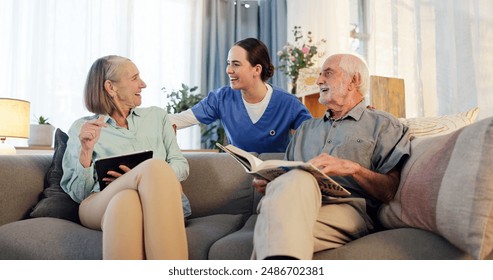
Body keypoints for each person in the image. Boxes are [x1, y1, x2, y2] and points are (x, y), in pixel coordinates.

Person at [250, 53, 411, 260]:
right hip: (295, 205)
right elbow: (286, 178)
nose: (318, 81)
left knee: (274, 225)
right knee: (279, 227)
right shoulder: (305, 129)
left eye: (328, 73)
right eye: (319, 75)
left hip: (346, 210)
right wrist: (270, 182)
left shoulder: (383, 125)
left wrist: (354, 169)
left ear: (355, 80)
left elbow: (389, 191)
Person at [60, 55, 190, 260]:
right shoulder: (83, 128)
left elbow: (180, 165)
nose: (143, 84)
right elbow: (80, 194)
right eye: (134, 78)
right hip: (97, 203)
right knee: (153, 167)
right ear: (110, 87)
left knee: (127, 200)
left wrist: (141, 179)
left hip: (150, 202)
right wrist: (85, 150)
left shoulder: (157, 117)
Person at [168, 38, 312, 153]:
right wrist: (147, 117)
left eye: (236, 64)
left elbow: (315, 136)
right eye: (228, 63)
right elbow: (181, 119)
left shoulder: (288, 103)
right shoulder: (221, 98)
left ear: (256, 69)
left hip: (276, 176)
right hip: (236, 173)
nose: (229, 70)